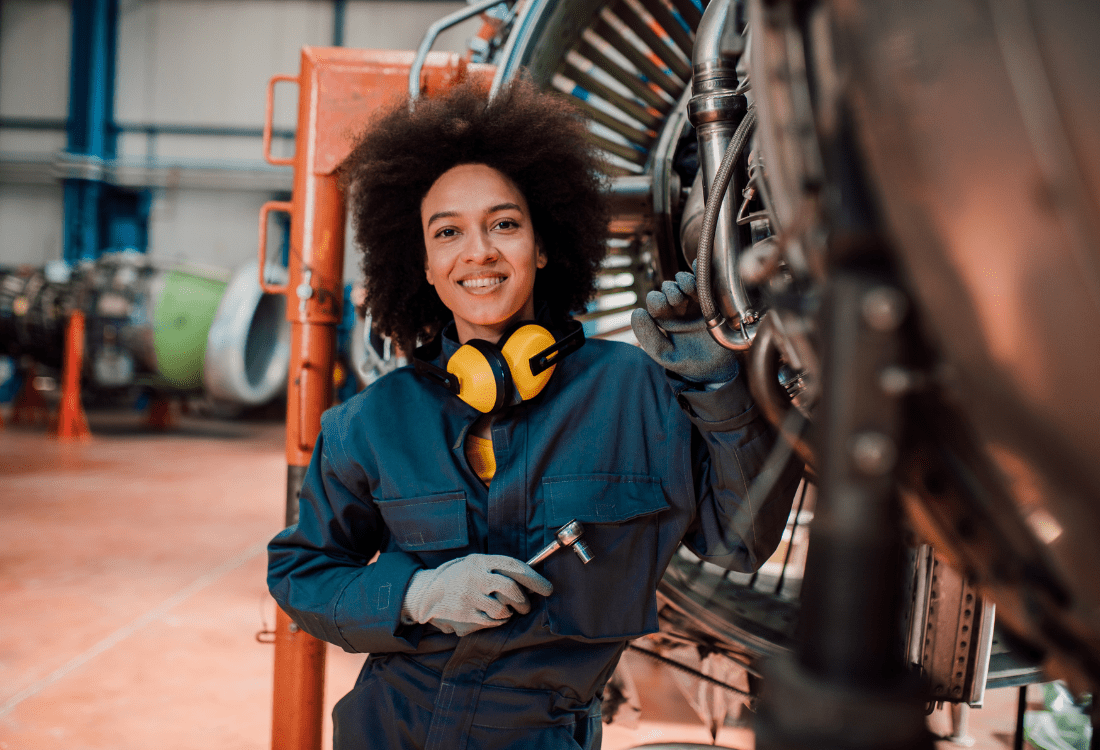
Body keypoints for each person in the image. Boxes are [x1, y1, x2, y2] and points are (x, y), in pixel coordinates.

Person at [267, 78, 802, 750]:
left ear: (543, 247)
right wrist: (416, 595)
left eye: (505, 224)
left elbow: (741, 542)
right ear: (425, 265)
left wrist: (722, 389)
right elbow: (301, 572)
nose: (479, 251)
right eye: (448, 232)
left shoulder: (635, 394)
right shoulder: (370, 424)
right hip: (385, 734)